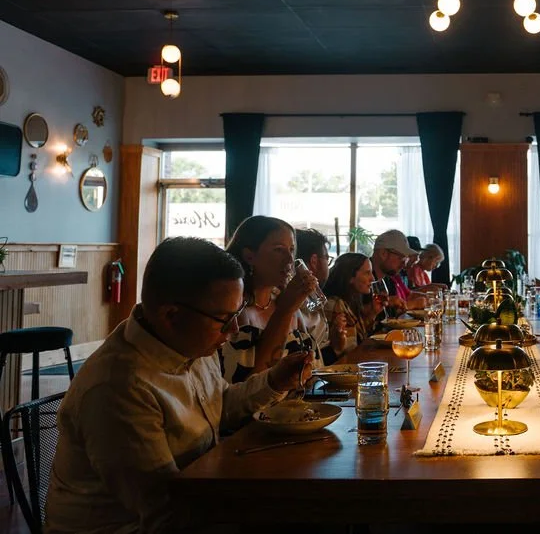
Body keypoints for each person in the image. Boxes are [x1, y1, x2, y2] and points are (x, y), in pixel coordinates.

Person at [46, 237, 311, 534]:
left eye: (237, 314)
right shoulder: (118, 387)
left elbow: (220, 405)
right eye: (225, 319)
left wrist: (275, 380)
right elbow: (167, 512)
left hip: (197, 502)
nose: (234, 329)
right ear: (172, 315)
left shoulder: (189, 343)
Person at [220, 216, 333, 383]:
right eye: (279, 250)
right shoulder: (233, 310)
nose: (289, 260)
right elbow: (250, 387)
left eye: (291, 250)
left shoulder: (282, 299)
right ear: (249, 255)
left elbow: (316, 366)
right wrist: (286, 310)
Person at [295, 227, 350, 362]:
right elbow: (309, 361)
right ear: (314, 261)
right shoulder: (301, 301)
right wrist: (336, 349)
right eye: (327, 259)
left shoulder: (313, 296)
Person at [322, 252, 376, 350]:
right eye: (367, 273)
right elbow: (345, 349)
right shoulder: (335, 304)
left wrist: (373, 313)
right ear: (350, 277)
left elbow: (357, 337)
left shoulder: (351, 300)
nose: (372, 278)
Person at [370, 229, 426, 310]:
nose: (404, 264)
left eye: (405, 259)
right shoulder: (361, 277)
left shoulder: (389, 278)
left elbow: (394, 316)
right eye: (401, 257)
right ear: (383, 253)